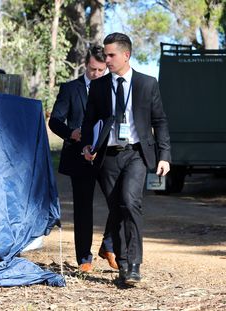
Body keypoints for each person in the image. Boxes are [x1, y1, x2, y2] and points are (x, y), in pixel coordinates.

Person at [81, 33, 171, 285]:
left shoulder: (147, 83)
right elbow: (89, 120)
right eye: (105, 55)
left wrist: (164, 155)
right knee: (116, 209)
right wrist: (88, 144)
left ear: (126, 55)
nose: (106, 60)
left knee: (130, 202)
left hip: (136, 154)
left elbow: (160, 120)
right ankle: (122, 266)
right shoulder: (99, 86)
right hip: (108, 156)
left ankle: (134, 264)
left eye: (111, 55)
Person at [49, 46, 118, 273]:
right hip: (79, 156)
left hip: (107, 156)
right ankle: (84, 259)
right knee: (82, 209)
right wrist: (71, 133)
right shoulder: (70, 89)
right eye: (92, 69)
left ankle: (108, 245)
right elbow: (55, 121)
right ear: (85, 65)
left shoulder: (113, 89)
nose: (96, 74)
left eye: (101, 70)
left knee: (119, 202)